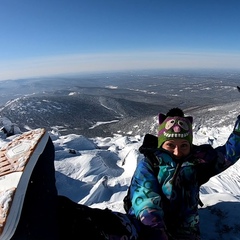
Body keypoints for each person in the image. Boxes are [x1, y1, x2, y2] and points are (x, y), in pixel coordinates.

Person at [1, 107, 240, 240]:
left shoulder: (198, 163)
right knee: (92, 223)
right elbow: (145, 201)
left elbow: (231, 151)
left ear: (190, 145)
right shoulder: (150, 163)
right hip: (144, 227)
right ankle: (29, 212)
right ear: (161, 144)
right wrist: (156, 233)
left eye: (183, 145)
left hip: (184, 234)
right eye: (170, 145)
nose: (177, 151)